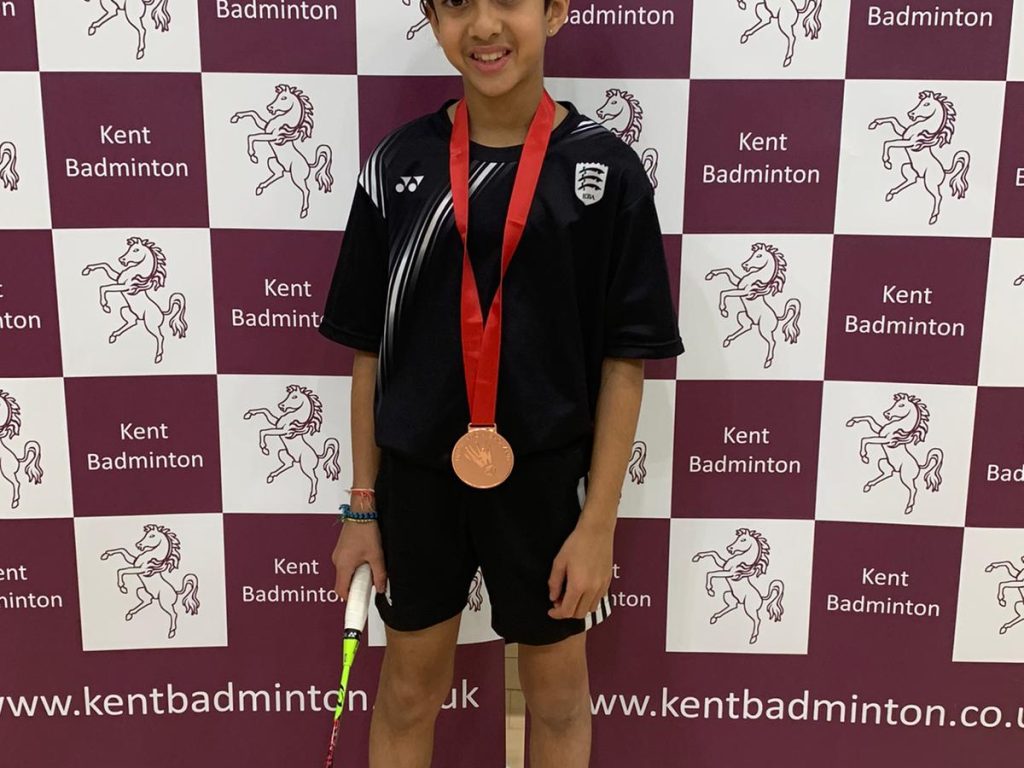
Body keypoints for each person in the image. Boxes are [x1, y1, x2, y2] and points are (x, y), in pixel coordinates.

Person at [317, 0, 683, 765]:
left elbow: (626, 363)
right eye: (455, 4)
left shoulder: (606, 171)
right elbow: (367, 353)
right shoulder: (397, 166)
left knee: (554, 704)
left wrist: (599, 524)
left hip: (546, 486)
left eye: (508, 1)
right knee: (409, 694)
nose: (483, 26)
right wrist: (362, 505)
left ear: (554, 11)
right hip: (418, 481)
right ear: (431, 17)